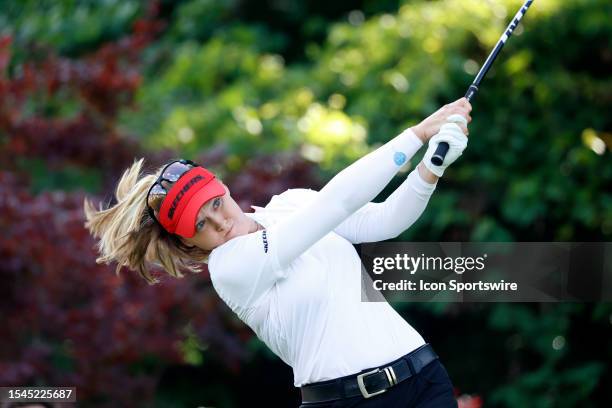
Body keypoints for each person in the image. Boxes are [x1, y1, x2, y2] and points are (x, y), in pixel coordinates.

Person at [84, 97, 472, 407]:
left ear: (222, 186)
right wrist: (418, 134)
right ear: (188, 242)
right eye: (200, 225)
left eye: (215, 204)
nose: (218, 223)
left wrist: (431, 167)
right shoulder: (230, 268)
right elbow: (335, 204)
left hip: (423, 379)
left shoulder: (292, 203)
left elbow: (385, 221)